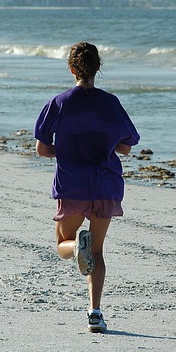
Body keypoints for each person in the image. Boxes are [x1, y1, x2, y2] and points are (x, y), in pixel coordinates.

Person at [34, 41, 140, 333]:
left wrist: (67, 150)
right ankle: (95, 312)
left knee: (62, 245)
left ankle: (76, 248)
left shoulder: (59, 103)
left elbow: (42, 149)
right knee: (98, 251)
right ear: (98, 69)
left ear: (72, 69)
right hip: (105, 184)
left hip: (72, 184)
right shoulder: (110, 103)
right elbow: (128, 146)